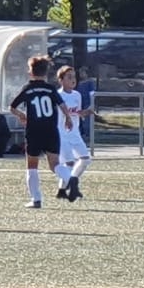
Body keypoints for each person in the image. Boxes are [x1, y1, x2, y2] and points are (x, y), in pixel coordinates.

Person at [9, 56, 75, 208]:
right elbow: (62, 104)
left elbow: (12, 107)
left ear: (31, 72)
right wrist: (68, 118)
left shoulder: (27, 89)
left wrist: (21, 115)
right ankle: (69, 177)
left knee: (32, 166)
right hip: (51, 131)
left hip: (34, 131)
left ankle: (36, 199)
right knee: (54, 165)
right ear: (46, 73)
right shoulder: (50, 89)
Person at [55, 65, 94, 202]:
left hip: (75, 133)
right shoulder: (58, 95)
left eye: (74, 77)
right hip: (62, 134)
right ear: (61, 80)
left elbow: (77, 113)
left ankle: (67, 186)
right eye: (69, 77)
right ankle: (67, 188)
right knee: (69, 163)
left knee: (85, 159)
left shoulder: (77, 95)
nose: (73, 80)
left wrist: (86, 112)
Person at [74, 67, 96, 142]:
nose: (81, 74)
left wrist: (91, 104)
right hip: (80, 104)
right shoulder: (78, 83)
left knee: (87, 121)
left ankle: (88, 136)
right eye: (80, 73)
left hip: (87, 104)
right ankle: (81, 135)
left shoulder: (90, 82)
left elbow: (92, 93)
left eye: (82, 73)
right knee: (79, 121)